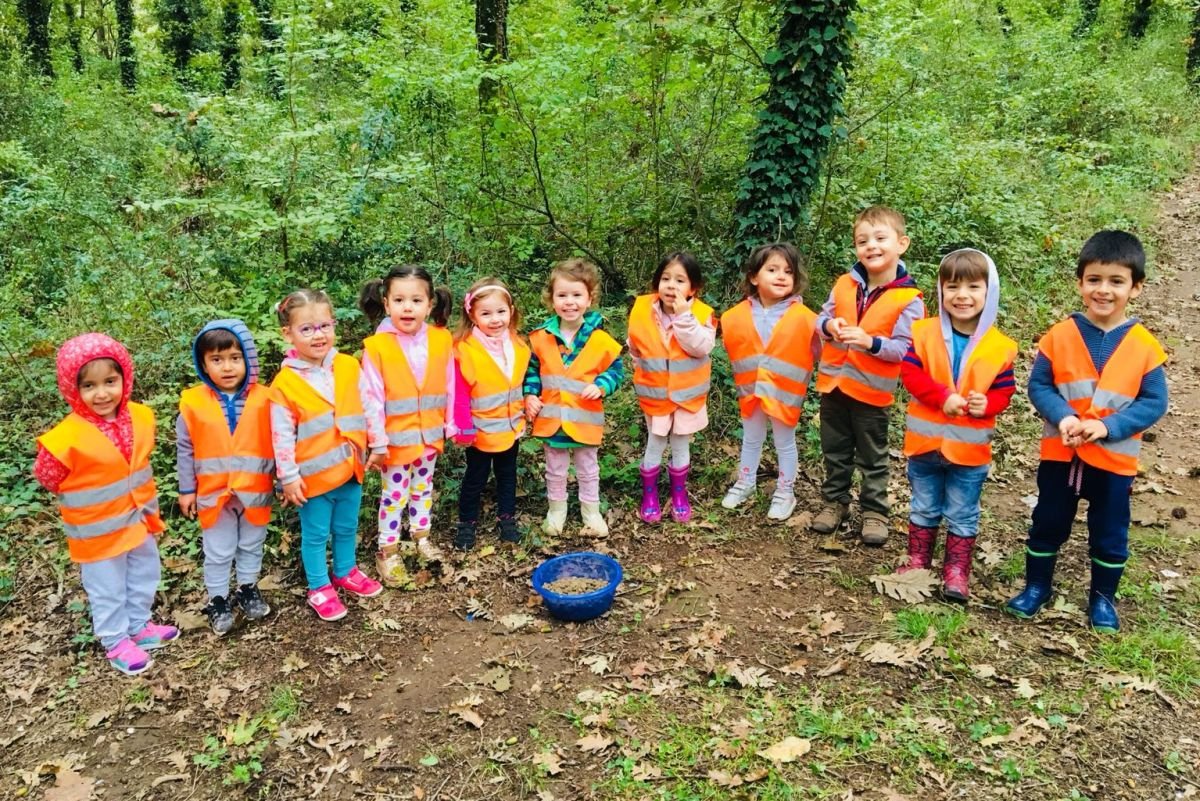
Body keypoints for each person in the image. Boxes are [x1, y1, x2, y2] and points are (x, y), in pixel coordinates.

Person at [1006, 231, 1168, 632]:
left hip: (1113, 460)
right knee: (1048, 520)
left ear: (1136, 288)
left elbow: (1154, 402)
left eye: (1116, 281)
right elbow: (1039, 385)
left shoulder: (1144, 346)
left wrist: (1107, 425)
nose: (1104, 290)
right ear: (1080, 283)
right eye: (1094, 279)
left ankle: (1102, 600)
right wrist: (1063, 417)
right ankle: (1037, 585)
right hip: (1061, 454)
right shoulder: (1060, 336)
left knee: (1110, 530)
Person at [33, 334, 179, 675]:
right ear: (73, 389)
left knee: (144, 573)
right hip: (97, 532)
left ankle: (139, 626)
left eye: (110, 382)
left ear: (124, 380)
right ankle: (115, 641)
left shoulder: (140, 417)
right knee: (107, 588)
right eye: (89, 386)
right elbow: (47, 475)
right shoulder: (66, 437)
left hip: (138, 518)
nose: (102, 393)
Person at [899, 249, 1017, 600]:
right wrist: (940, 396)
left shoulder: (1000, 347)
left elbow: (1004, 391)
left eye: (973, 287)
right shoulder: (922, 333)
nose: (962, 296)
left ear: (989, 292)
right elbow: (910, 373)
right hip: (924, 445)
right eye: (952, 286)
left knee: (963, 512)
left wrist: (988, 404)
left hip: (969, 450)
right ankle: (918, 560)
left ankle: (956, 571)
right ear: (941, 291)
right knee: (923, 505)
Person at [270, 289, 385, 621]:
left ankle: (345, 570)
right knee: (317, 533)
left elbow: (369, 407)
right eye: (307, 329)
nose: (318, 335)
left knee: (347, 526)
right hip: (312, 479)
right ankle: (319, 586)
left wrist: (377, 445)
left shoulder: (348, 365)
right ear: (288, 334)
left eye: (324, 326)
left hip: (351, 467)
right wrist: (288, 478)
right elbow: (282, 437)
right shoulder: (285, 384)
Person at [813, 206, 925, 544]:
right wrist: (829, 326)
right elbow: (821, 319)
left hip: (872, 395)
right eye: (863, 240)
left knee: (872, 456)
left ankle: (875, 511)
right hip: (833, 386)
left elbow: (906, 350)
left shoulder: (910, 299)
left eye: (880, 238)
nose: (871, 246)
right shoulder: (844, 284)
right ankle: (835, 502)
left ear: (901, 243)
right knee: (835, 449)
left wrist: (871, 342)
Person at [177, 320, 275, 635]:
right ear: (203, 364)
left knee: (251, 543)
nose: (227, 367)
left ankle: (247, 588)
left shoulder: (267, 399)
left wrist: (286, 481)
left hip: (255, 490)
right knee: (218, 550)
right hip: (213, 492)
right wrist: (186, 489)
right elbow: (185, 448)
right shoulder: (193, 403)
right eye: (216, 360)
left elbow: (282, 442)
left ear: (249, 359)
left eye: (235, 357)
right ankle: (218, 599)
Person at [359, 266, 455, 585]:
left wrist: (451, 422)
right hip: (395, 441)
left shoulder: (442, 340)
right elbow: (370, 397)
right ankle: (388, 549)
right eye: (399, 299)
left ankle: (420, 537)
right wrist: (378, 440)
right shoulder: (377, 347)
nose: (407, 307)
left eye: (416, 300)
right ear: (386, 304)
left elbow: (450, 384)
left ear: (430, 304)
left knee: (422, 488)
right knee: (394, 495)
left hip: (429, 434)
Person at [524, 259, 624, 537]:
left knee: (588, 468)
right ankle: (556, 511)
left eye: (577, 295)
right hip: (552, 418)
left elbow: (616, 370)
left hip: (584, 419)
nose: (570, 302)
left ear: (589, 298)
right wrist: (530, 395)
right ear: (551, 299)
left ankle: (591, 514)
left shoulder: (601, 339)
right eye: (562, 295)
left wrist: (602, 385)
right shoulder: (540, 337)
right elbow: (531, 371)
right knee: (555, 468)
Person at [720, 243, 819, 520]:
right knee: (751, 439)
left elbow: (826, 354)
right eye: (772, 269)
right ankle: (746, 483)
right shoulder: (733, 317)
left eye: (788, 271)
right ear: (754, 277)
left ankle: (785, 491)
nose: (781, 276)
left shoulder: (807, 319)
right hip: (751, 391)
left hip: (784, 394)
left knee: (784, 442)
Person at [627, 252, 717, 524]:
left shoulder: (702, 314)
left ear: (693, 288)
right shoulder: (642, 308)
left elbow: (701, 347)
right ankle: (650, 495)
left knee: (680, 444)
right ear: (657, 283)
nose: (671, 286)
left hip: (687, 397)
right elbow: (634, 347)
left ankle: (679, 494)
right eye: (665, 278)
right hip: (655, 396)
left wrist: (683, 317)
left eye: (680, 280)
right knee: (654, 444)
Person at [451, 277, 530, 550]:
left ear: (511, 311)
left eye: (501, 312)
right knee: (476, 477)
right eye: (486, 313)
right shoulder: (464, 349)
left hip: (510, 428)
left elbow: (523, 381)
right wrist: (463, 426)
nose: (495, 319)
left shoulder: (519, 345)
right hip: (480, 431)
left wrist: (529, 401)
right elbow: (459, 394)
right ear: (471, 314)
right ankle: (466, 523)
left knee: (508, 475)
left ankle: (506, 518)